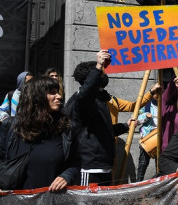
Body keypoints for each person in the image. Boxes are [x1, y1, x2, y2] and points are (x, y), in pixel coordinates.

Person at [63, 51, 133, 186]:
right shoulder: (82, 100)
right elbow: (85, 95)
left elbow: (102, 130)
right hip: (89, 167)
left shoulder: (100, 100)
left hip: (103, 166)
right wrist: (98, 67)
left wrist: (125, 126)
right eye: (101, 73)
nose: (104, 76)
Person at [0, 76, 80, 191]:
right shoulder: (11, 126)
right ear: (36, 97)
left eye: (58, 92)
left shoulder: (66, 128)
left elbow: (76, 162)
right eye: (52, 93)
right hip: (16, 204)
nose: (59, 97)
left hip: (53, 203)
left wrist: (66, 176)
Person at [136, 98, 158, 182]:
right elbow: (136, 119)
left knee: (159, 165)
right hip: (147, 136)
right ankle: (138, 184)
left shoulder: (166, 103)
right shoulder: (146, 104)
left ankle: (158, 185)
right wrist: (146, 116)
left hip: (161, 137)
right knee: (143, 163)